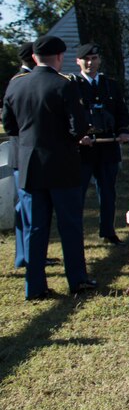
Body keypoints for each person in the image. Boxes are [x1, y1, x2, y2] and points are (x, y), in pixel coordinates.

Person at [2, 35, 96, 299]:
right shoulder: (63, 85)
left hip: (30, 165)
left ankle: (34, 286)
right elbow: (77, 128)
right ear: (59, 56)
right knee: (69, 225)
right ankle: (77, 280)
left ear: (34, 58)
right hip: (62, 164)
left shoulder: (15, 86)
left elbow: (10, 127)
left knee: (35, 228)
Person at [73, 42, 129, 245]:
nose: (90, 62)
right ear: (78, 61)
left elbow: (121, 112)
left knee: (108, 191)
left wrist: (123, 131)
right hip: (84, 149)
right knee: (78, 193)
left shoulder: (110, 84)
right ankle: (76, 234)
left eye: (94, 58)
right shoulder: (72, 85)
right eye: (86, 59)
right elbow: (68, 115)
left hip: (107, 146)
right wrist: (77, 135)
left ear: (99, 60)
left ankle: (107, 230)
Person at [11, 42, 35, 270]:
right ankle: (26, 255)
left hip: (21, 154)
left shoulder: (18, 81)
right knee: (25, 209)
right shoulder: (22, 82)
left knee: (25, 208)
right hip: (24, 154)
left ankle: (25, 254)